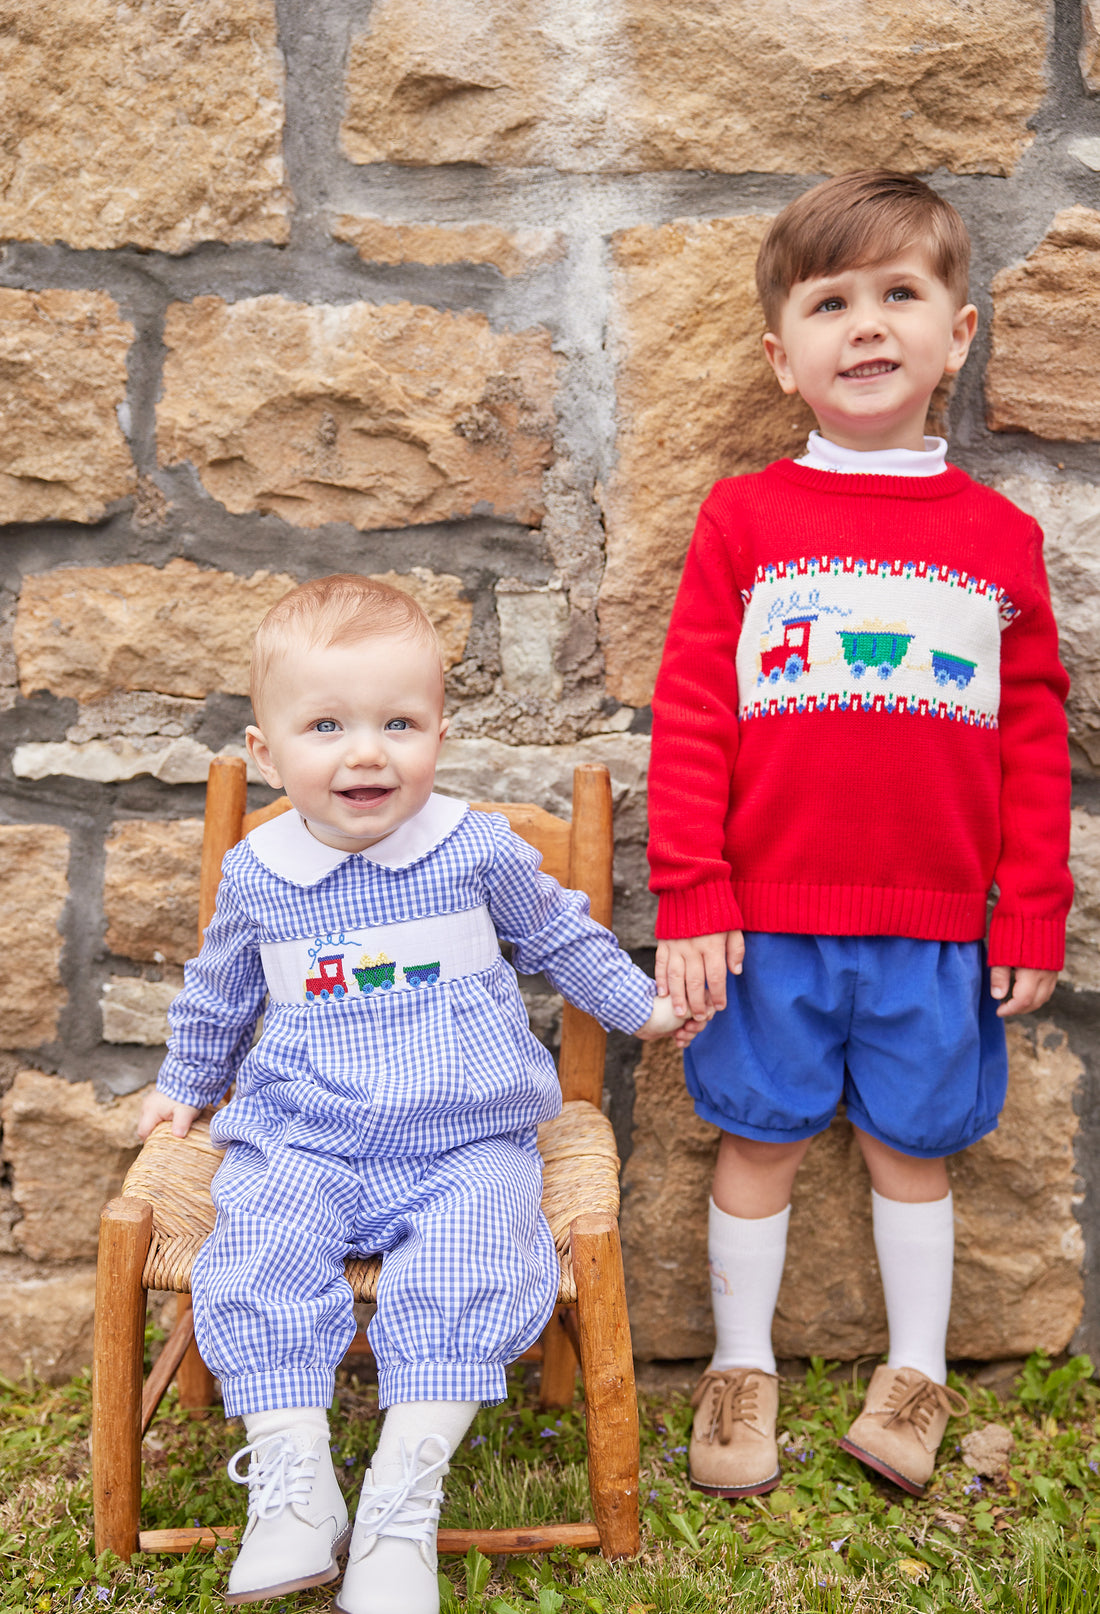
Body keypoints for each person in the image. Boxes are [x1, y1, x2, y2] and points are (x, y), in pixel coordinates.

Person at [138, 574, 698, 1613]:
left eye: (399, 722)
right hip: (300, 1136)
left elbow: (564, 938)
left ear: (439, 732)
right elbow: (216, 990)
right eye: (325, 726)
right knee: (253, 1253)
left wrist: (639, 1007)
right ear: (266, 753)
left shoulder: (474, 849)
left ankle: (404, 1495)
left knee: (469, 1260)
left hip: (464, 1135)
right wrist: (184, 1084)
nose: (366, 752)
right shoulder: (261, 873)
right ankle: (297, 1489)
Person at [646, 171, 1072, 1502]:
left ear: (961, 333)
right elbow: (696, 709)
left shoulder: (998, 541)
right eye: (832, 302)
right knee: (758, 1134)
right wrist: (693, 892)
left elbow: (1034, 738)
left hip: (939, 921)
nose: (868, 324)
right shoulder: (746, 521)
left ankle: (918, 1370)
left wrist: (1032, 907)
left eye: (902, 294)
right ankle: (737, 1366)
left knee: (914, 1145)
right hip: (764, 919)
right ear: (784, 355)